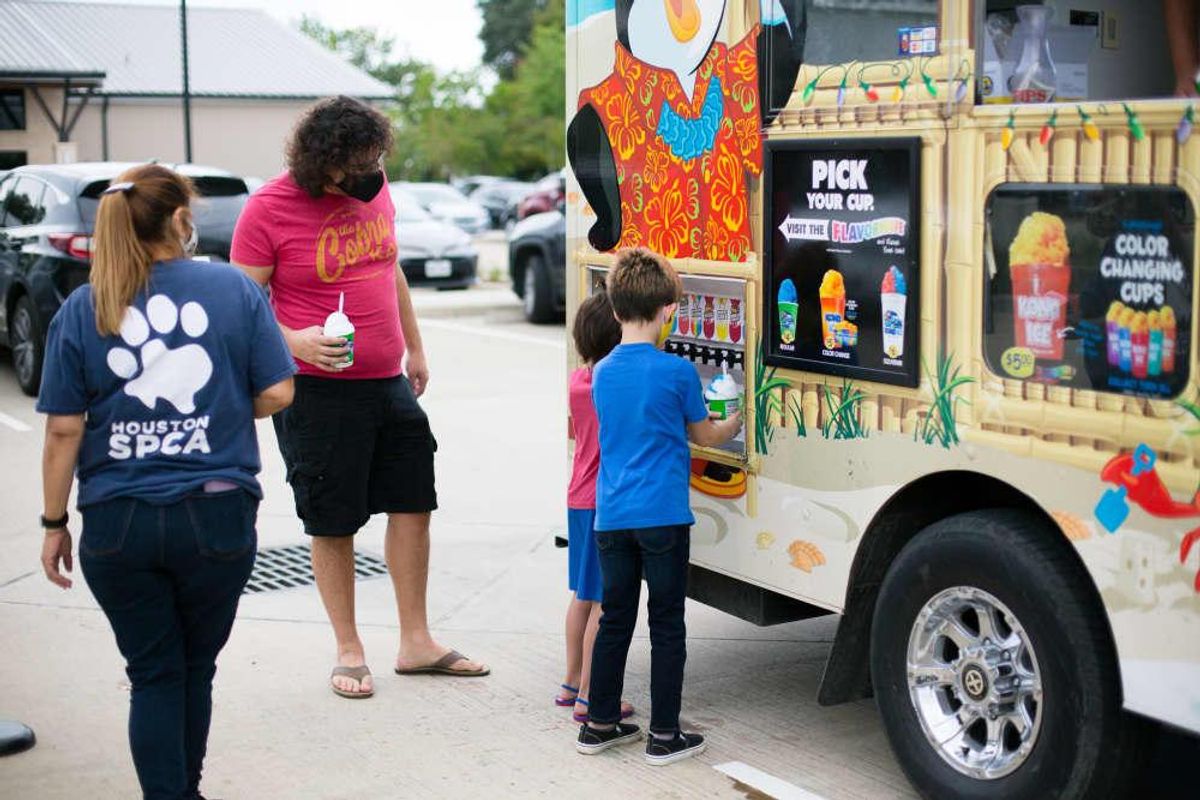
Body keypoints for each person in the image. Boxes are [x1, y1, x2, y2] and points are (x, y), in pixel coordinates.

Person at [37, 164, 296, 800]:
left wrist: (53, 523)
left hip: (117, 520)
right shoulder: (232, 290)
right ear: (183, 220)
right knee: (194, 669)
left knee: (154, 673)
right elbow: (277, 391)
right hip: (216, 514)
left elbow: (64, 431)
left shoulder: (83, 306)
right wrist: (224, 404)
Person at [231, 95, 488, 699]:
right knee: (333, 517)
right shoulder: (266, 210)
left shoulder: (376, 189)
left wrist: (414, 347)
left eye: (377, 158)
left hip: (387, 382)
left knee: (413, 501)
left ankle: (416, 641)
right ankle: (349, 648)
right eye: (359, 163)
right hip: (316, 392)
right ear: (323, 163)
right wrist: (295, 339)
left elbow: (389, 265)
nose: (372, 172)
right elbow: (241, 308)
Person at [576, 248, 741, 765]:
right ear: (669, 311)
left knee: (616, 618)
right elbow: (705, 433)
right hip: (663, 516)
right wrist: (734, 415)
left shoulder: (601, 372)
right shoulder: (677, 373)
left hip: (612, 516)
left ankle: (599, 722)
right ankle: (664, 735)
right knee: (667, 623)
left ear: (616, 307)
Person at [557, 291, 634, 723]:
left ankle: (571, 682)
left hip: (577, 496)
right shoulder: (611, 383)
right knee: (604, 604)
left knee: (582, 596)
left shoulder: (577, 381)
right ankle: (591, 695)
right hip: (603, 502)